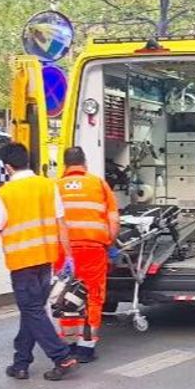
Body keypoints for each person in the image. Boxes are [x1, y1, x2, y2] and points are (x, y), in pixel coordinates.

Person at [0, 142, 78, 381]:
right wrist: (68, 256)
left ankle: (61, 356)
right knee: (33, 312)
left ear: (7, 167)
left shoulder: (7, 193)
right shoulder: (48, 186)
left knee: (31, 311)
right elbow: (62, 224)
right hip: (46, 260)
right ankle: (20, 362)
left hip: (22, 263)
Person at [56, 146, 119, 361]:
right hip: (93, 249)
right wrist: (110, 243)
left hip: (65, 252)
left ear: (65, 166)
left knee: (67, 295)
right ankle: (86, 347)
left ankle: (70, 343)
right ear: (84, 163)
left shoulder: (56, 186)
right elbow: (114, 219)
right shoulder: (98, 184)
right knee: (92, 295)